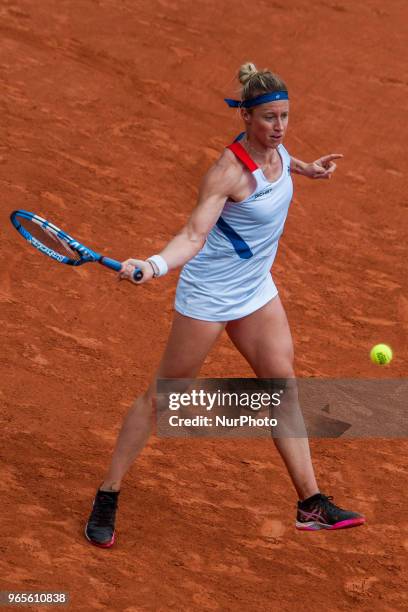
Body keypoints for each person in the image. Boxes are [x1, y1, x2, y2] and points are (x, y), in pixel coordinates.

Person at [85, 62, 365, 547]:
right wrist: (153, 265)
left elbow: (282, 166)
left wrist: (307, 168)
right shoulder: (228, 171)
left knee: (283, 390)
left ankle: (310, 504)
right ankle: (108, 493)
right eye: (269, 119)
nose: (279, 127)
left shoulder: (277, 151)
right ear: (246, 119)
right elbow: (194, 234)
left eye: (285, 117)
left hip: (256, 290)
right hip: (210, 295)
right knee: (162, 399)